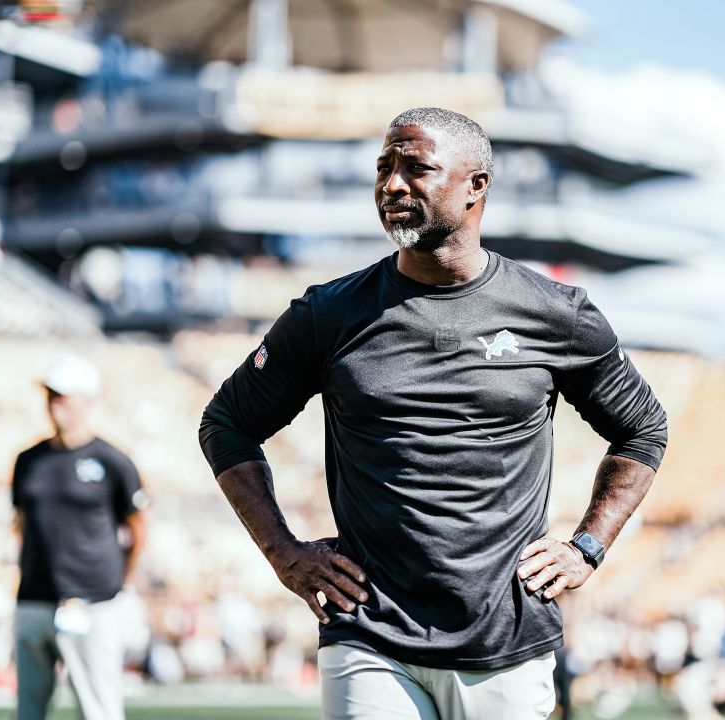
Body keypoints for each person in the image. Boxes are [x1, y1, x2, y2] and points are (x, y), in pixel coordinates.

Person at [199, 107, 669, 720]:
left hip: (504, 637)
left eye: (416, 168)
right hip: (369, 632)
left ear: (477, 186)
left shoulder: (556, 314)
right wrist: (284, 553)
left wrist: (587, 547)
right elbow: (226, 424)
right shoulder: (328, 314)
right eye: (384, 167)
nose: (392, 184)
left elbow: (642, 427)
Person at [12, 354, 148, 720]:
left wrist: (118, 581)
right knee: (28, 711)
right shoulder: (28, 460)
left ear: (88, 400)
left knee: (98, 709)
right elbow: (20, 523)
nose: (53, 402)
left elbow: (138, 526)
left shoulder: (112, 461)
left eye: (62, 395)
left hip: (92, 601)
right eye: (50, 394)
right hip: (34, 599)